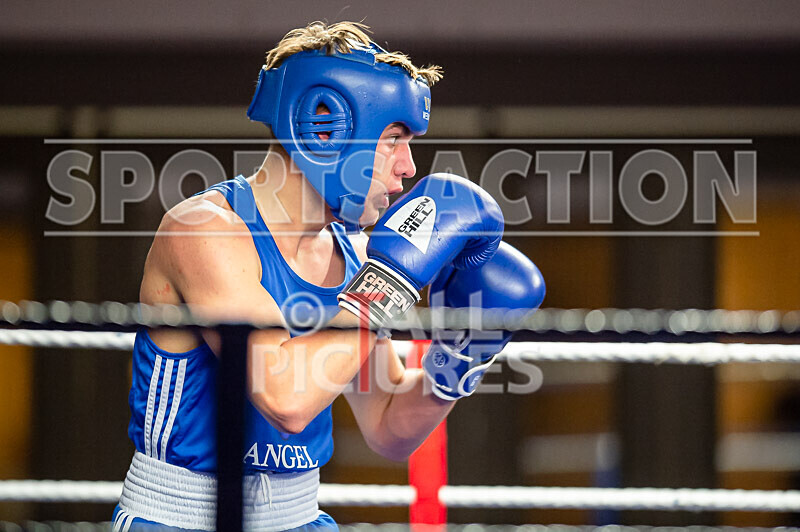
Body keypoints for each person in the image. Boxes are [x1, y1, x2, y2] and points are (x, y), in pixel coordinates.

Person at [112, 21, 544, 531]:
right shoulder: (204, 230)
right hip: (182, 520)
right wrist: (391, 280)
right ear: (326, 128)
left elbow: (388, 427)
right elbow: (285, 399)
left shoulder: (356, 255)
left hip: (300, 518)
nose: (408, 167)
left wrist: (459, 357)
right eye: (394, 139)